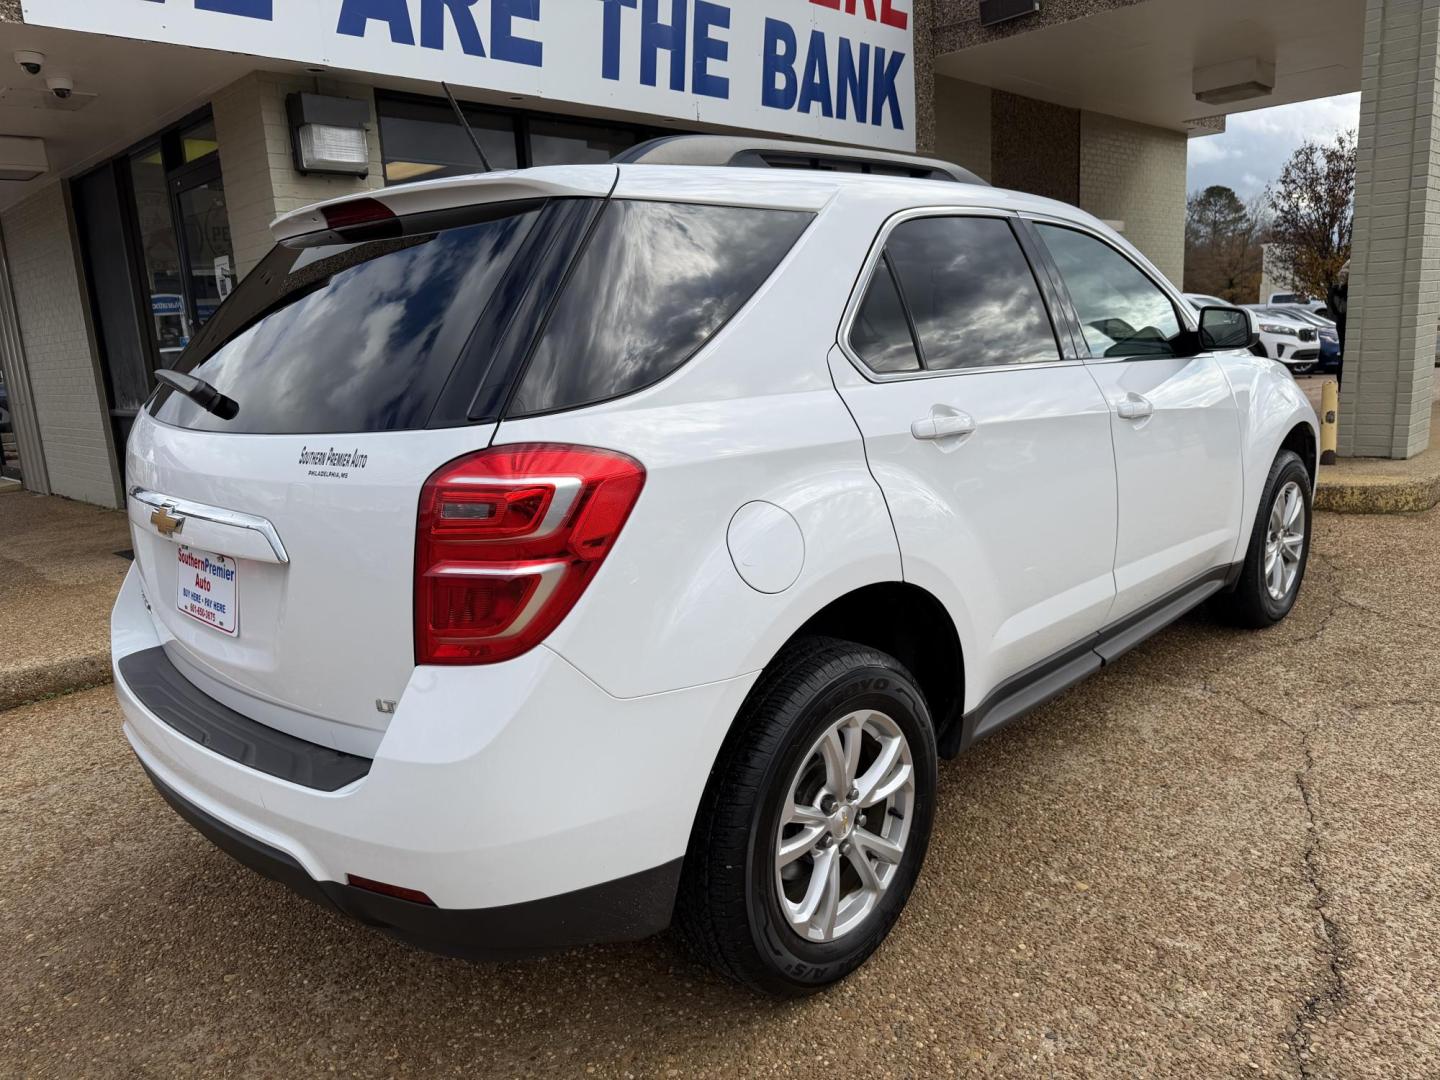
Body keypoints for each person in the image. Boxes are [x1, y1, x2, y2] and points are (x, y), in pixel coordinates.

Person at [1327, 261, 1349, 386]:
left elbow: (1335, 310)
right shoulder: (1341, 291)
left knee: (1343, 353)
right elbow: (1341, 309)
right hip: (1344, 323)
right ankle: (1341, 383)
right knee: (1345, 353)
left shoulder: (1334, 291)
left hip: (1340, 323)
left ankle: (1341, 383)